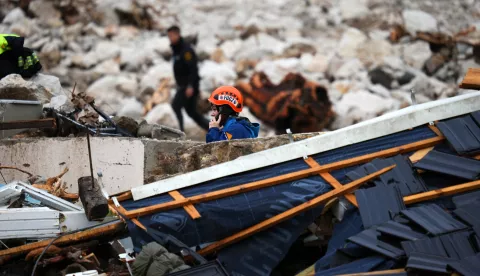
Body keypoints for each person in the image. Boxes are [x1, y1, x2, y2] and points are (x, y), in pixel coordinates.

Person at [167, 26, 209, 132]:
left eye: (172, 35)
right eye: (169, 36)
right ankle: (214, 130)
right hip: (183, 85)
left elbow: (193, 69)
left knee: (175, 106)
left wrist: (190, 86)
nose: (170, 38)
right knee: (192, 113)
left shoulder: (186, 50)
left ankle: (180, 132)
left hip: (188, 86)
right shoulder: (176, 49)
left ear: (178, 34)